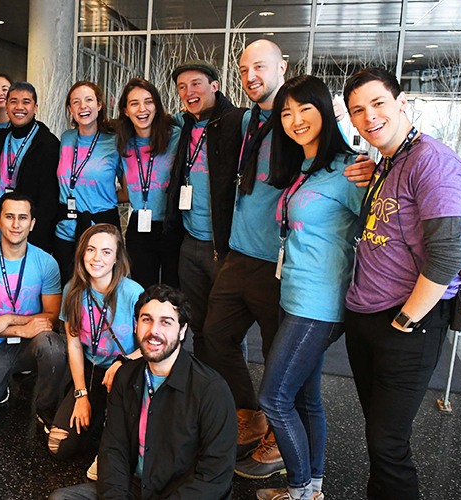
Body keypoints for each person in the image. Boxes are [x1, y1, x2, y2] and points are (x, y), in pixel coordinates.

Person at [199, 40, 375, 478]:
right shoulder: (246, 120)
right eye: (243, 69)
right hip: (244, 254)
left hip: (288, 271)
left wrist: (371, 165)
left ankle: (285, 444)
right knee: (215, 336)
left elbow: (370, 216)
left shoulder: (326, 152)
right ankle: (254, 417)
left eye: (259, 65)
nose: (250, 75)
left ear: (282, 66)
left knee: (284, 378)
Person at [343, 68, 461, 500]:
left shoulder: (432, 160)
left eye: (378, 103)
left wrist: (407, 319)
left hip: (406, 323)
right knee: (379, 437)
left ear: (402, 103)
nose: (369, 116)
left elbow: (450, 251)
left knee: (388, 444)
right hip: (367, 317)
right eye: (358, 110)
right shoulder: (386, 163)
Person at [255, 75, 364, 500]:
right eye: (286, 112)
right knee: (305, 399)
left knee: (273, 398)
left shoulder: (349, 170)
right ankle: (311, 486)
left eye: (305, 109)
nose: (295, 119)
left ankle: (301, 492)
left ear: (325, 111)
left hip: (318, 304)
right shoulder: (303, 168)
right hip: (293, 295)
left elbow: (385, 227)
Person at [49, 285, 237, 500]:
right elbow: (114, 449)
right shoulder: (125, 376)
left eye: (166, 322)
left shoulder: (212, 389)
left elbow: (214, 477)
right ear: (136, 325)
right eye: (146, 319)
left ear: (182, 330)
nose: (154, 331)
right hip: (134, 488)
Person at [0, 192, 66, 435]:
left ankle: (45, 408)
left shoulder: (47, 263)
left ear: (32, 223)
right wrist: (20, 329)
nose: (16, 225)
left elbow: (54, 317)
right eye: (9, 217)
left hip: (30, 343)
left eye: (23, 218)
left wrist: (8, 320)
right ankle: (1, 384)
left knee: (53, 345)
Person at [49, 223, 144, 477]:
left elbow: (150, 346)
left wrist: (124, 361)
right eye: (90, 250)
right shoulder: (72, 290)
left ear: (116, 258)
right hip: (91, 372)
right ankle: (96, 411)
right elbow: (73, 343)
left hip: (127, 371)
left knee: (119, 434)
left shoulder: (134, 293)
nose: (96, 258)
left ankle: (112, 439)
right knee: (58, 447)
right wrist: (81, 394)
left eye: (105, 252)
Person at [164, 61, 244, 354]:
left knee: (227, 330)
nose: (189, 92)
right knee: (195, 322)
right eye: (182, 87)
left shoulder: (237, 121)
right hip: (189, 242)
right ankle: (202, 385)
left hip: (223, 246)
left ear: (214, 86)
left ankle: (231, 392)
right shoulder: (183, 123)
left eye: (196, 83)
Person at [116, 78, 184, 289]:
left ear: (157, 106)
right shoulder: (122, 144)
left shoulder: (176, 136)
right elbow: (126, 189)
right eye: (134, 103)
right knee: (141, 290)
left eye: (148, 102)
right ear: (126, 110)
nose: (142, 109)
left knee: (174, 290)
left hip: (173, 224)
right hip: (139, 226)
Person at [55, 82, 122, 283]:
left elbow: (128, 190)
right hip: (66, 228)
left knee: (101, 287)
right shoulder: (66, 138)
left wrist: (101, 199)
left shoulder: (115, 140)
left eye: (89, 100)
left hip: (102, 227)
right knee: (67, 288)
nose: (83, 106)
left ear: (99, 105)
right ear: (70, 109)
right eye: (76, 102)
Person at [0, 81, 60, 253]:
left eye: (26, 102)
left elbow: (48, 199)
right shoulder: (0, 139)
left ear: (35, 108)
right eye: (13, 101)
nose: (19, 107)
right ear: (6, 106)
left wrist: (34, 235)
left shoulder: (48, 144)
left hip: (30, 234)